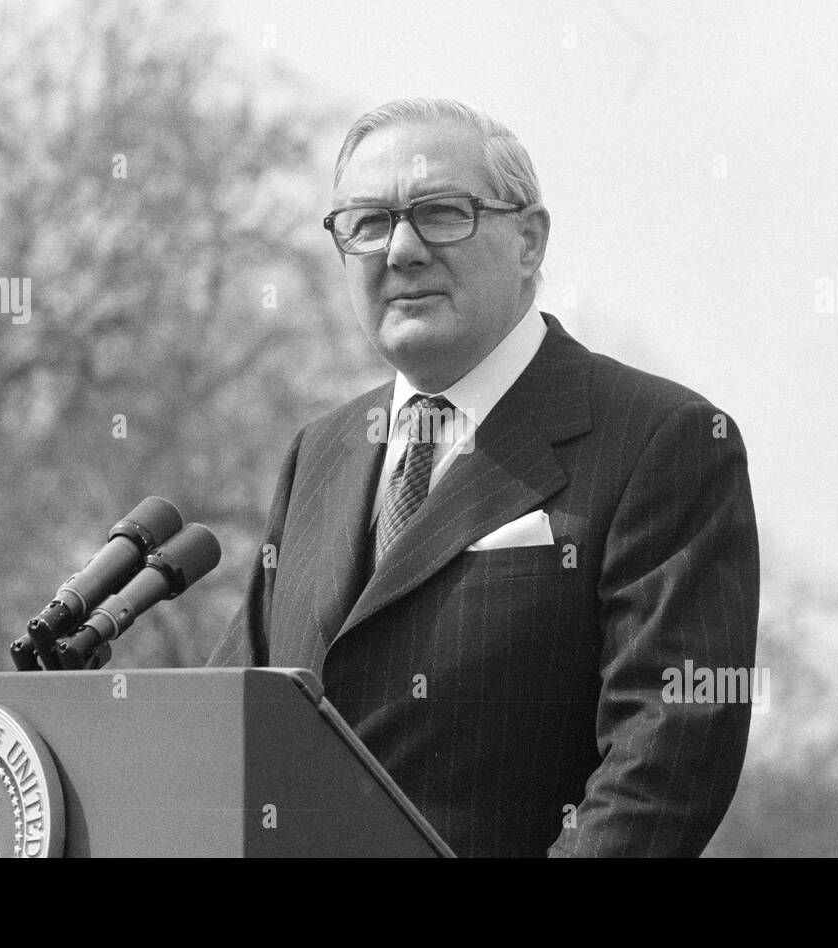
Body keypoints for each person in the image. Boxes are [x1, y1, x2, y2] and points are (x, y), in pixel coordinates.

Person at [208, 98, 759, 858]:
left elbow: (665, 759)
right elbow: (227, 727)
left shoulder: (661, 440)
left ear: (529, 240)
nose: (400, 250)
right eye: (366, 223)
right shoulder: (320, 454)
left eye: (440, 212)